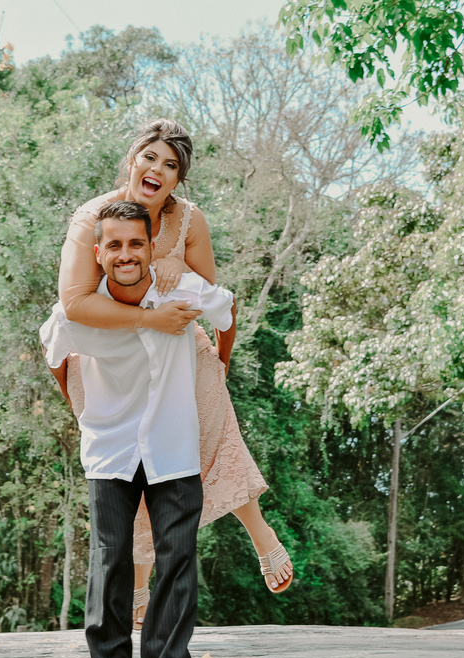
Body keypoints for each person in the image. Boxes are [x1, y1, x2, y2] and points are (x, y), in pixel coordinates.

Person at [59, 119, 292, 630]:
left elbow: (207, 289)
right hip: (114, 355)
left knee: (215, 427)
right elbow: (74, 303)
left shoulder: (188, 220)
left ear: (178, 180)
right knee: (131, 469)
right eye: (150, 158)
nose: (157, 170)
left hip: (175, 347)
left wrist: (176, 274)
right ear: (132, 159)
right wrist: (144, 312)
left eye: (170, 166)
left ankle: (261, 535)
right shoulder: (94, 217)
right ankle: (139, 583)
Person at [41, 201, 236, 658]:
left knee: (177, 563)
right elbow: (55, 355)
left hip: (174, 446)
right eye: (115, 245)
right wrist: (84, 414)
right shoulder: (79, 310)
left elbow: (227, 312)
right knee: (111, 562)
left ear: (152, 247)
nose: (126, 254)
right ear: (99, 253)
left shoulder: (182, 290)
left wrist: (219, 369)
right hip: (111, 450)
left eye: (135, 243)